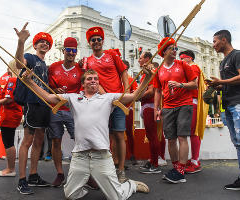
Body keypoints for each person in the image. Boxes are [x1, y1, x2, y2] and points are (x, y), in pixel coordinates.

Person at [22, 69, 150, 200]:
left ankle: (130, 185)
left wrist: (148, 77)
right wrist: (29, 81)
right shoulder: (73, 98)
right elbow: (48, 97)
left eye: (95, 79)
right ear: (83, 84)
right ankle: (81, 187)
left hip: (101, 156)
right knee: (70, 195)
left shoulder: (108, 97)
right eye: (89, 78)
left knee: (116, 197)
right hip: (80, 156)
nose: (93, 81)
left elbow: (135, 96)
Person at [82, 26, 130, 183]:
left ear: (102, 41)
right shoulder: (88, 61)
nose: (96, 42)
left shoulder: (112, 55)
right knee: (100, 137)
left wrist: (126, 92)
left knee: (118, 135)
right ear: (89, 43)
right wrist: (105, 96)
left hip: (118, 101)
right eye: (93, 40)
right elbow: (93, 81)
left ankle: (121, 169)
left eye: (98, 39)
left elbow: (123, 72)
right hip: (100, 103)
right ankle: (102, 169)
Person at [14, 22, 52, 195]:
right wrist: (21, 42)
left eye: (47, 42)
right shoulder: (30, 57)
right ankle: (22, 180)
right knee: (27, 141)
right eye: (41, 41)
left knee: (39, 140)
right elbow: (19, 65)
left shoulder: (45, 65)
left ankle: (33, 175)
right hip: (32, 103)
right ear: (35, 45)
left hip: (44, 104)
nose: (44, 43)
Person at [154, 37, 198, 183]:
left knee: (181, 137)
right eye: (171, 48)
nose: (174, 51)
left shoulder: (182, 65)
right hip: (167, 107)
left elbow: (195, 84)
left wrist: (180, 85)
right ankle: (175, 168)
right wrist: (156, 109)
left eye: (175, 48)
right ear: (163, 51)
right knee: (171, 139)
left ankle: (181, 170)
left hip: (184, 104)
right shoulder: (159, 70)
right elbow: (157, 91)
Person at [48, 37, 83, 187]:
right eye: (68, 50)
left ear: (76, 52)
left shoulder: (80, 69)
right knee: (56, 141)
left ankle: (85, 175)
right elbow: (47, 87)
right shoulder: (53, 67)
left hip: (72, 111)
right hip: (55, 109)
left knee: (81, 141)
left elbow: (83, 89)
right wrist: (54, 90)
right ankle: (60, 174)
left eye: (73, 50)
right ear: (63, 51)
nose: (71, 53)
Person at [210, 30, 240, 190]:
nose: (213, 45)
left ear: (224, 40)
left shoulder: (237, 55)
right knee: (237, 143)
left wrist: (222, 81)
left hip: (238, 104)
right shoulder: (222, 63)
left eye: (215, 41)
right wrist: (217, 85)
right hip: (228, 105)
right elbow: (227, 83)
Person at [138, 51, 166, 174]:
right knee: (150, 135)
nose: (138, 60)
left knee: (153, 135)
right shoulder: (145, 74)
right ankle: (152, 160)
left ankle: (155, 164)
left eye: (141, 58)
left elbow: (151, 91)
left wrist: (137, 96)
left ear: (147, 59)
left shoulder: (151, 72)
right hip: (146, 105)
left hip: (150, 105)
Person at [0, 73, 23, 177]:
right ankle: (10, 168)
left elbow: (9, 99)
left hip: (10, 114)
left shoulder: (12, 80)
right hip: (12, 114)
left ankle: (10, 169)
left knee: (8, 142)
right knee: (9, 141)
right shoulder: (17, 80)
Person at [179, 50, 203, 173]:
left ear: (189, 58)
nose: (181, 60)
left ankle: (195, 161)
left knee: (194, 132)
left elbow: (192, 84)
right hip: (188, 102)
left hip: (192, 101)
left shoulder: (193, 68)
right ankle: (193, 159)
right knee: (190, 132)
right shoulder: (191, 68)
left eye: (183, 58)